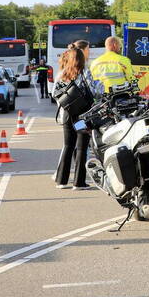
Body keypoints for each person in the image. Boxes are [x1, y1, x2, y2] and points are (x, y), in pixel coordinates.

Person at [53, 46, 96, 190]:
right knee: (81, 148)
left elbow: (54, 93)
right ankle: (79, 182)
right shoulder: (84, 72)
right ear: (81, 59)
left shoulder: (62, 74)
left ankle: (61, 181)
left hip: (67, 115)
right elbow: (95, 91)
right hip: (81, 117)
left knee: (68, 146)